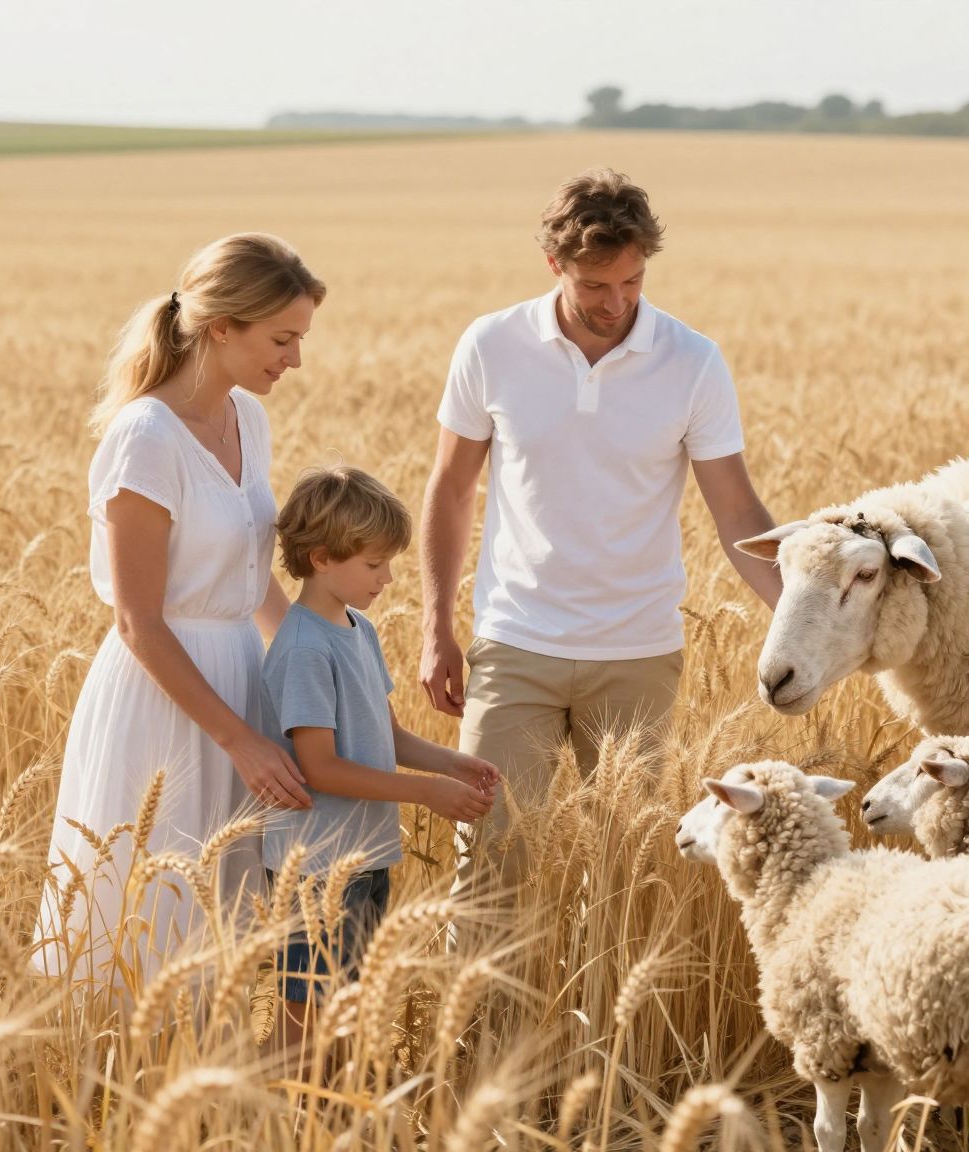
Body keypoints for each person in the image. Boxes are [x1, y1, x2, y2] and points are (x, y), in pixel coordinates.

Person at [418, 169, 783, 897]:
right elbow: (450, 488)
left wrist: (804, 618)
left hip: (637, 654)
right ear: (555, 265)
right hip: (515, 643)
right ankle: (490, 1021)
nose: (616, 304)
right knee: (489, 871)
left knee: (623, 880)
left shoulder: (692, 361)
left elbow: (738, 511)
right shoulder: (492, 344)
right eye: (594, 286)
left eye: (632, 282)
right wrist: (436, 624)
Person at [34, 233, 322, 985]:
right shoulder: (146, 437)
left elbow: (249, 572)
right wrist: (240, 743)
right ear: (222, 327)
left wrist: (313, 666)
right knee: (150, 924)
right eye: (282, 339)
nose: (294, 360)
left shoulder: (245, 420)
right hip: (168, 701)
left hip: (242, 684)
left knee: (223, 934)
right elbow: (138, 622)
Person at [260, 466, 501, 1059]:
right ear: (321, 558)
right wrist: (424, 794)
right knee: (304, 1027)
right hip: (315, 868)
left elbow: (383, 733)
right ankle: (253, 1112)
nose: (389, 578)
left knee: (343, 1015)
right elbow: (321, 769)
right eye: (374, 565)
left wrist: (450, 763)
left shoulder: (356, 628)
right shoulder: (304, 649)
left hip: (364, 857)